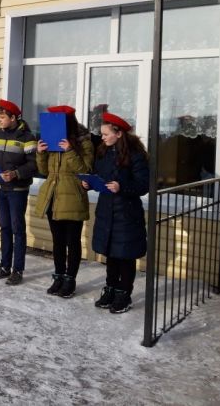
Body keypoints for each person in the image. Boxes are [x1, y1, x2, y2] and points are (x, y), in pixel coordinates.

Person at [85, 112, 149, 314]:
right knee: (111, 255)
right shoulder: (104, 152)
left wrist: (121, 187)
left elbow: (143, 185)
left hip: (126, 213)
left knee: (125, 256)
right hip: (106, 211)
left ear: (119, 133)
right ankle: (110, 288)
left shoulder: (136, 155)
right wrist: (90, 183)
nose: (102, 138)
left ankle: (124, 294)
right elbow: (99, 176)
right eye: (102, 134)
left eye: (106, 134)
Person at [35, 105, 94, 298]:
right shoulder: (51, 140)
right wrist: (40, 152)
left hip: (73, 197)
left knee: (72, 241)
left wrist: (69, 150)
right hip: (53, 196)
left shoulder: (84, 142)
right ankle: (58, 276)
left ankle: (70, 279)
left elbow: (85, 169)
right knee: (58, 241)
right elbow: (44, 171)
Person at [0, 100, 37, 284]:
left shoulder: (27, 138)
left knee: (17, 230)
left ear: (13, 118)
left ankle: (18, 270)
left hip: (17, 191)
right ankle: (5, 266)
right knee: (4, 227)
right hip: (1, 189)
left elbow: (34, 165)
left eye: (2, 118)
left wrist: (15, 174)